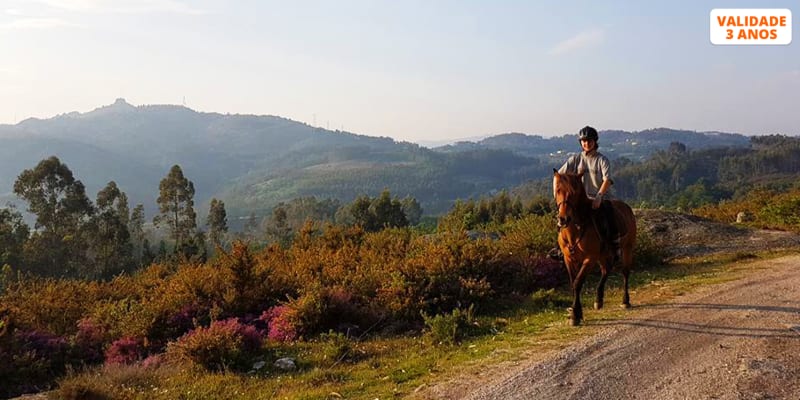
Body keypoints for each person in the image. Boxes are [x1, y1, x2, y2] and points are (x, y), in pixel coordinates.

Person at [550, 126, 620, 262]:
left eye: (589, 141)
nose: (586, 143)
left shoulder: (602, 160)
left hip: (598, 197)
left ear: (595, 142)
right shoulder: (575, 159)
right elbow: (558, 176)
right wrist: (556, 197)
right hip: (580, 199)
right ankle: (559, 248)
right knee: (562, 218)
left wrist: (599, 196)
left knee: (609, 215)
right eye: (584, 141)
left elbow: (607, 180)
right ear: (580, 143)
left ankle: (613, 246)